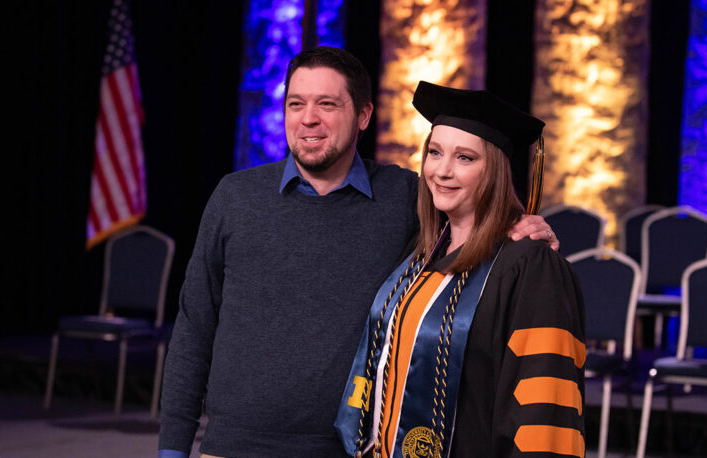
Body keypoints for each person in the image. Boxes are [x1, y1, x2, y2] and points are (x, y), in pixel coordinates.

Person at [158, 47, 559, 458]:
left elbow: (473, 212)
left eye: (327, 104)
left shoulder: (406, 198)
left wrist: (520, 224)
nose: (308, 118)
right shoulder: (235, 197)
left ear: (364, 116)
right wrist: (172, 448)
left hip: (352, 449)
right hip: (233, 447)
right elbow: (193, 328)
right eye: (296, 104)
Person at [335, 82, 585, 458]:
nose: (443, 171)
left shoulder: (530, 267)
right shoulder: (419, 255)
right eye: (434, 153)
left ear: (495, 171)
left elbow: (545, 409)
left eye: (465, 158)